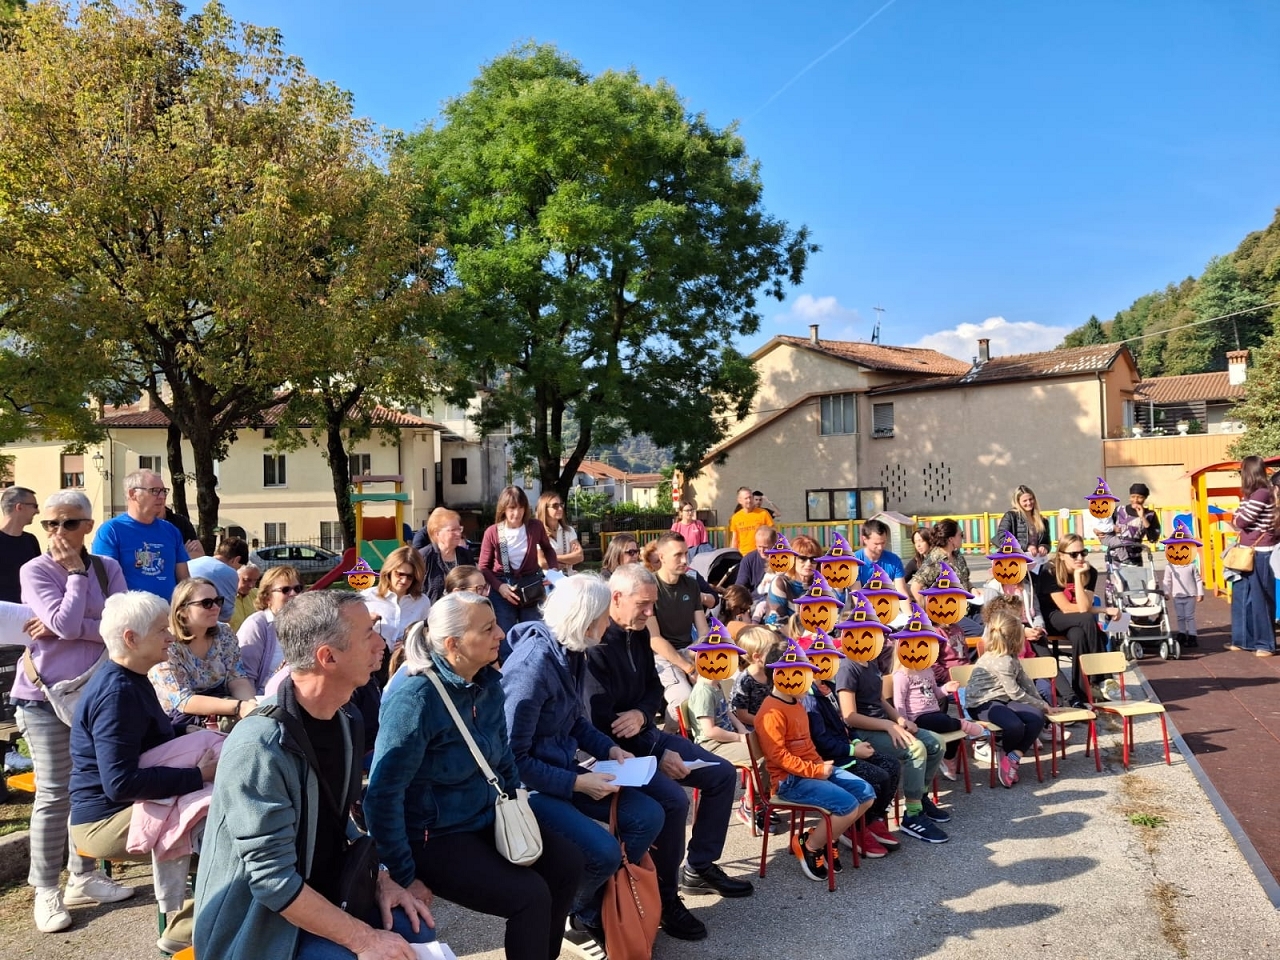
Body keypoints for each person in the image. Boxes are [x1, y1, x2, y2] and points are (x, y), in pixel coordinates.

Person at [195, 591, 436, 960]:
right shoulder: (259, 746)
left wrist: (382, 878)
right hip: (260, 928)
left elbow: (335, 820)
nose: (381, 643)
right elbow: (272, 882)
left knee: (416, 928)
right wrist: (364, 939)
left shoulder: (345, 720)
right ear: (328, 657)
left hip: (327, 893)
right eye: (368, 634)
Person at [364, 591, 583, 960]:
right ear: (454, 644)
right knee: (529, 897)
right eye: (488, 628)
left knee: (567, 864)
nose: (502, 633)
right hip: (433, 836)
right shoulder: (416, 700)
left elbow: (504, 759)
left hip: (485, 817)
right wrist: (403, 875)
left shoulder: (487, 683)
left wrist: (517, 810)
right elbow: (382, 795)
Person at [583, 563, 752, 941]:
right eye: (643, 605)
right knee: (674, 802)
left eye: (653, 605)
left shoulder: (639, 632)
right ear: (616, 598)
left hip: (645, 737)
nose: (650, 613)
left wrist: (643, 716)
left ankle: (700, 867)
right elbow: (599, 722)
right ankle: (665, 896)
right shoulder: (596, 644)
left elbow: (653, 692)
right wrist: (658, 754)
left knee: (722, 774)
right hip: (611, 753)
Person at [501, 574, 666, 955]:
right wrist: (577, 784)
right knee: (604, 852)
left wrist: (610, 749)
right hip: (530, 789)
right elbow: (512, 760)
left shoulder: (571, 651)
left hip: (561, 771)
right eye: (604, 616)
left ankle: (586, 905)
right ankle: (574, 913)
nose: (609, 623)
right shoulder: (532, 668)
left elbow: (574, 719)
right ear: (587, 620)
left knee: (648, 815)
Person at [70, 591, 216, 954]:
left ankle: (205, 920)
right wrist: (199, 776)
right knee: (225, 832)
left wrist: (184, 731)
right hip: (104, 821)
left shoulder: (130, 678)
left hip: (122, 808)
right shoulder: (117, 693)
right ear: (131, 639)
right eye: (160, 630)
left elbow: (147, 735)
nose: (170, 636)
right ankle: (187, 930)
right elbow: (120, 784)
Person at [16, 490, 134, 933]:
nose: (58, 532)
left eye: (68, 523)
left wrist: (65, 626)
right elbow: (70, 625)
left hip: (97, 696)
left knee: (90, 788)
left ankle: (82, 875)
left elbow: (123, 627)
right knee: (53, 793)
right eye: (49, 523)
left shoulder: (108, 567)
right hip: (44, 696)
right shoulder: (35, 569)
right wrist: (75, 578)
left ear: (87, 526)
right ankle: (45, 887)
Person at [833, 600, 950, 845]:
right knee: (916, 750)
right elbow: (849, 716)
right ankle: (913, 816)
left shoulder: (870, 662)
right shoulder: (847, 667)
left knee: (936, 743)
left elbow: (878, 699)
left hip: (884, 724)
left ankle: (920, 799)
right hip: (862, 732)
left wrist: (899, 719)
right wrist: (889, 725)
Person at [755, 641, 873, 882]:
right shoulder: (770, 712)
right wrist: (817, 770)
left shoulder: (797, 704)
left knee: (866, 793)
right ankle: (810, 846)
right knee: (848, 805)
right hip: (789, 781)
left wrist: (821, 766)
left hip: (811, 771)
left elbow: (807, 745)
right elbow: (779, 757)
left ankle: (825, 838)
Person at [804, 667, 902, 856]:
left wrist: (856, 741)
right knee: (878, 777)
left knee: (892, 766)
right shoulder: (809, 699)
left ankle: (872, 819)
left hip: (846, 749)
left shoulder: (829, 687)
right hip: (830, 758)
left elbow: (845, 723)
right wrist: (852, 750)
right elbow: (821, 741)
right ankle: (853, 828)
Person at [965, 608, 1061, 788]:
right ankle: (1005, 753)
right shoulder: (1002, 660)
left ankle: (1012, 756)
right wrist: (1040, 703)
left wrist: (1043, 705)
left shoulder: (1011, 657)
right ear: (1016, 638)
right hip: (982, 704)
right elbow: (1015, 692)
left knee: (1037, 718)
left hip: (1002, 698)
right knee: (1014, 725)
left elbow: (1025, 682)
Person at [150, 577, 258, 729]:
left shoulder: (224, 633)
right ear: (182, 611)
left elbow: (237, 678)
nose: (215, 607)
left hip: (223, 708)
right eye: (206, 603)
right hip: (180, 721)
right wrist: (239, 707)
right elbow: (182, 700)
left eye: (218, 601)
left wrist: (252, 706)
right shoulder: (167, 643)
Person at [1042, 535, 1118, 706]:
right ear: (1061, 555)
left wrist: (1078, 576)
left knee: (1078, 635)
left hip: (1077, 621)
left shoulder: (1090, 572)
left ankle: (1082, 691)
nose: (1080, 558)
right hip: (1052, 617)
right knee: (1087, 620)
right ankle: (1102, 678)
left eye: (1083, 553)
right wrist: (1103, 609)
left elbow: (1085, 606)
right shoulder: (1049, 571)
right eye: (1073, 554)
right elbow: (1066, 608)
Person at [91, 469, 190, 599]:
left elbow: (184, 581)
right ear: (133, 494)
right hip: (130, 610)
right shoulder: (111, 531)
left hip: (169, 610)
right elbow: (102, 582)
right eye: (155, 491)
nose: (162, 496)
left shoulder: (171, 531)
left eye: (163, 491)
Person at [478, 485, 557, 637]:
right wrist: (499, 587)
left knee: (534, 633)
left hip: (531, 586)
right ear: (503, 509)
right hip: (503, 588)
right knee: (505, 636)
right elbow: (483, 567)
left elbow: (548, 549)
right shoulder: (493, 532)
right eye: (512, 508)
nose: (517, 513)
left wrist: (553, 570)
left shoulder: (535, 526)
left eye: (521, 508)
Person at [647, 532, 709, 717]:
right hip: (661, 656)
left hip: (689, 650)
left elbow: (703, 631)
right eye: (678, 555)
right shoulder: (649, 586)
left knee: (716, 691)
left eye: (686, 553)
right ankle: (668, 731)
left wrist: (696, 653)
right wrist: (689, 668)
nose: (684, 560)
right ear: (662, 557)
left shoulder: (691, 584)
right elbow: (654, 639)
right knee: (683, 703)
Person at [1227, 456, 1277, 655]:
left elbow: (1241, 520)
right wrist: (1237, 517)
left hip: (1261, 552)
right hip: (1246, 551)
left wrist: (1237, 518)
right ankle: (1242, 640)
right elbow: (1239, 517)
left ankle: (1265, 644)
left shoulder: (1262, 493)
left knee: (1260, 598)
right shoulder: (1251, 495)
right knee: (1242, 597)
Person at [237, 564, 304, 695]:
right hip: (265, 699)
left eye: (297, 589)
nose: (293, 594)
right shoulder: (256, 625)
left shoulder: (305, 624)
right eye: (285, 590)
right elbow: (244, 677)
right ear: (267, 597)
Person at [361, 546, 431, 649]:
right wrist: (366, 623)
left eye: (410, 576)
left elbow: (426, 636)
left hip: (407, 657)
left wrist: (407, 645)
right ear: (388, 571)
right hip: (373, 656)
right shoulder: (367, 597)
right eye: (400, 574)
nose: (404, 580)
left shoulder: (422, 602)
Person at [1098, 483, 1161, 586]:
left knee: (1135, 587)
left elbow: (1153, 538)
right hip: (1115, 557)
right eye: (1133, 496)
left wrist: (1143, 517)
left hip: (1134, 558)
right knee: (1115, 587)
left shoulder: (1150, 515)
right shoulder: (1118, 510)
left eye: (1140, 497)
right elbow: (1106, 528)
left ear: (1145, 498)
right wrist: (1100, 532)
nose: (1135, 500)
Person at [416, 507, 476, 603]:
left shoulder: (465, 555)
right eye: (453, 530)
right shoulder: (424, 556)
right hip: (432, 610)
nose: (458, 534)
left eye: (459, 529)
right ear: (437, 533)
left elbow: (474, 584)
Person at [187, 537, 248, 622]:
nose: (237, 570)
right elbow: (226, 616)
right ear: (236, 559)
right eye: (238, 567)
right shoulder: (229, 572)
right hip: (200, 621)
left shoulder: (192, 563)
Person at [766, 534, 823, 621]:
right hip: (784, 629)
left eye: (813, 559)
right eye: (802, 558)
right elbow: (775, 622)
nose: (808, 563)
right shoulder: (781, 583)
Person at [0, 485, 41, 603]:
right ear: (19, 507)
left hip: (25, 611)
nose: (37, 511)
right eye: (34, 506)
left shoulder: (31, 541)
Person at [1162, 545, 1203, 651]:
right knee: (1180, 616)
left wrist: (1200, 593)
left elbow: (1198, 580)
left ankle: (1192, 635)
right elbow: (1167, 580)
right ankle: (1182, 633)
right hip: (1177, 595)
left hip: (1190, 595)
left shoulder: (1191, 566)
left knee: (1189, 616)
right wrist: (1166, 592)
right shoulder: (1170, 567)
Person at [853, 518, 909, 596]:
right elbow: (857, 595)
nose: (880, 547)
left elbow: (902, 592)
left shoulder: (894, 560)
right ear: (864, 539)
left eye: (883, 543)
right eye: (876, 544)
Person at [535, 491, 582, 573]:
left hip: (568, 577)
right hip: (547, 579)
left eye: (561, 505)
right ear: (544, 508)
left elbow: (579, 556)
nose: (560, 508)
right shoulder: (537, 533)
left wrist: (551, 558)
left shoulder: (569, 530)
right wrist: (569, 559)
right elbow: (542, 562)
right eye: (555, 506)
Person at [996, 485, 1050, 556]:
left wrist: (1044, 546)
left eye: (1031, 499)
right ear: (1018, 502)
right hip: (1016, 558)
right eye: (1025, 501)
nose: (1029, 503)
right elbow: (1002, 539)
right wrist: (1026, 547)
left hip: (1037, 559)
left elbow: (1046, 541)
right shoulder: (1011, 516)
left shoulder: (1042, 520)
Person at [735, 525, 779, 604]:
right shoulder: (748, 560)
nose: (762, 550)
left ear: (774, 544)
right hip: (754, 600)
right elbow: (740, 585)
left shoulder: (782, 560)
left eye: (766, 547)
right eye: (759, 547)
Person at [728, 486, 773, 554]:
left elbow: (773, 533)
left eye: (750, 497)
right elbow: (735, 540)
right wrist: (732, 555)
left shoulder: (763, 513)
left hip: (761, 554)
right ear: (740, 500)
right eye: (746, 498)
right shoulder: (735, 517)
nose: (749, 500)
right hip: (743, 555)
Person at [230, 562, 261, 632]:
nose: (252, 585)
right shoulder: (224, 598)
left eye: (255, 580)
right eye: (247, 580)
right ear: (234, 577)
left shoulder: (258, 595)